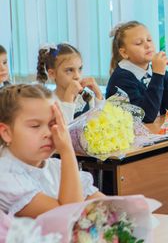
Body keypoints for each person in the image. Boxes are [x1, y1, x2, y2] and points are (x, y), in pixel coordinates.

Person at [0, 84, 103, 218]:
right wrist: (67, 150)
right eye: (35, 126)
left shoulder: (56, 166)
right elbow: (68, 216)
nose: (48, 133)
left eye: (52, 124)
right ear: (6, 133)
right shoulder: (5, 177)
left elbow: (105, 207)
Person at [106, 21, 168, 123]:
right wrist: (158, 75)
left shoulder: (156, 72)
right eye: (139, 43)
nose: (147, 45)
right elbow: (145, 117)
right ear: (124, 52)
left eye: (149, 40)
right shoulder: (121, 78)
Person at [37, 43, 103, 124]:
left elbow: (100, 125)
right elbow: (64, 133)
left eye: (80, 69)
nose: (77, 76)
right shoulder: (48, 103)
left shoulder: (85, 98)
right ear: (52, 74)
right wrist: (68, 98)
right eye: (69, 70)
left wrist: (98, 95)